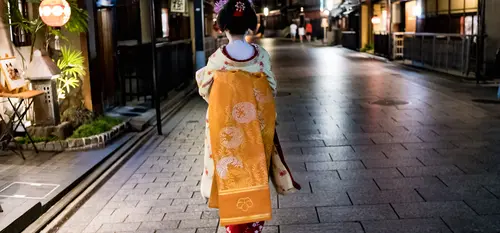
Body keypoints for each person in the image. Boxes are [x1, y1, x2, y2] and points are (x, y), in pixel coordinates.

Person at [195, 0, 277, 232]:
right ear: (249, 25)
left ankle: (234, 225)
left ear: (224, 27)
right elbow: (272, 87)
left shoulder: (218, 59)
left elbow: (204, 89)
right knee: (255, 170)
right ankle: (254, 224)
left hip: (227, 128)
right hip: (256, 127)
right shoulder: (260, 55)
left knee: (230, 172)